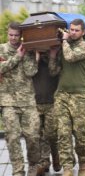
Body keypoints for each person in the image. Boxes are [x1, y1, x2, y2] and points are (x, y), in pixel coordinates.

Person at [49, 19, 85, 176]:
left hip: (80, 96)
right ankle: (67, 167)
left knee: (81, 134)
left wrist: (65, 42)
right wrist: (53, 56)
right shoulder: (63, 48)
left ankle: (83, 163)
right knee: (63, 133)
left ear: (83, 32)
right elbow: (53, 72)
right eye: (71, 29)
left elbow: (70, 57)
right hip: (62, 96)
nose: (73, 32)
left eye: (76, 30)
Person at [0, 22, 42, 176]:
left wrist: (30, 55)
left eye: (16, 35)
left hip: (28, 101)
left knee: (33, 136)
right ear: (7, 33)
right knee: (12, 137)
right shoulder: (1, 49)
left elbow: (31, 72)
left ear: (21, 35)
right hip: (8, 101)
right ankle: (18, 170)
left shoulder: (28, 50)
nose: (13, 38)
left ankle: (33, 164)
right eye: (11, 34)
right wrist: (17, 56)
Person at [33, 52, 61, 172]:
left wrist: (52, 56)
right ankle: (45, 161)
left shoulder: (57, 56)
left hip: (52, 102)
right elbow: (28, 72)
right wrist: (36, 57)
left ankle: (56, 156)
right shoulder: (31, 57)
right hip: (35, 103)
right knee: (39, 135)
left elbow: (54, 71)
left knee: (51, 134)